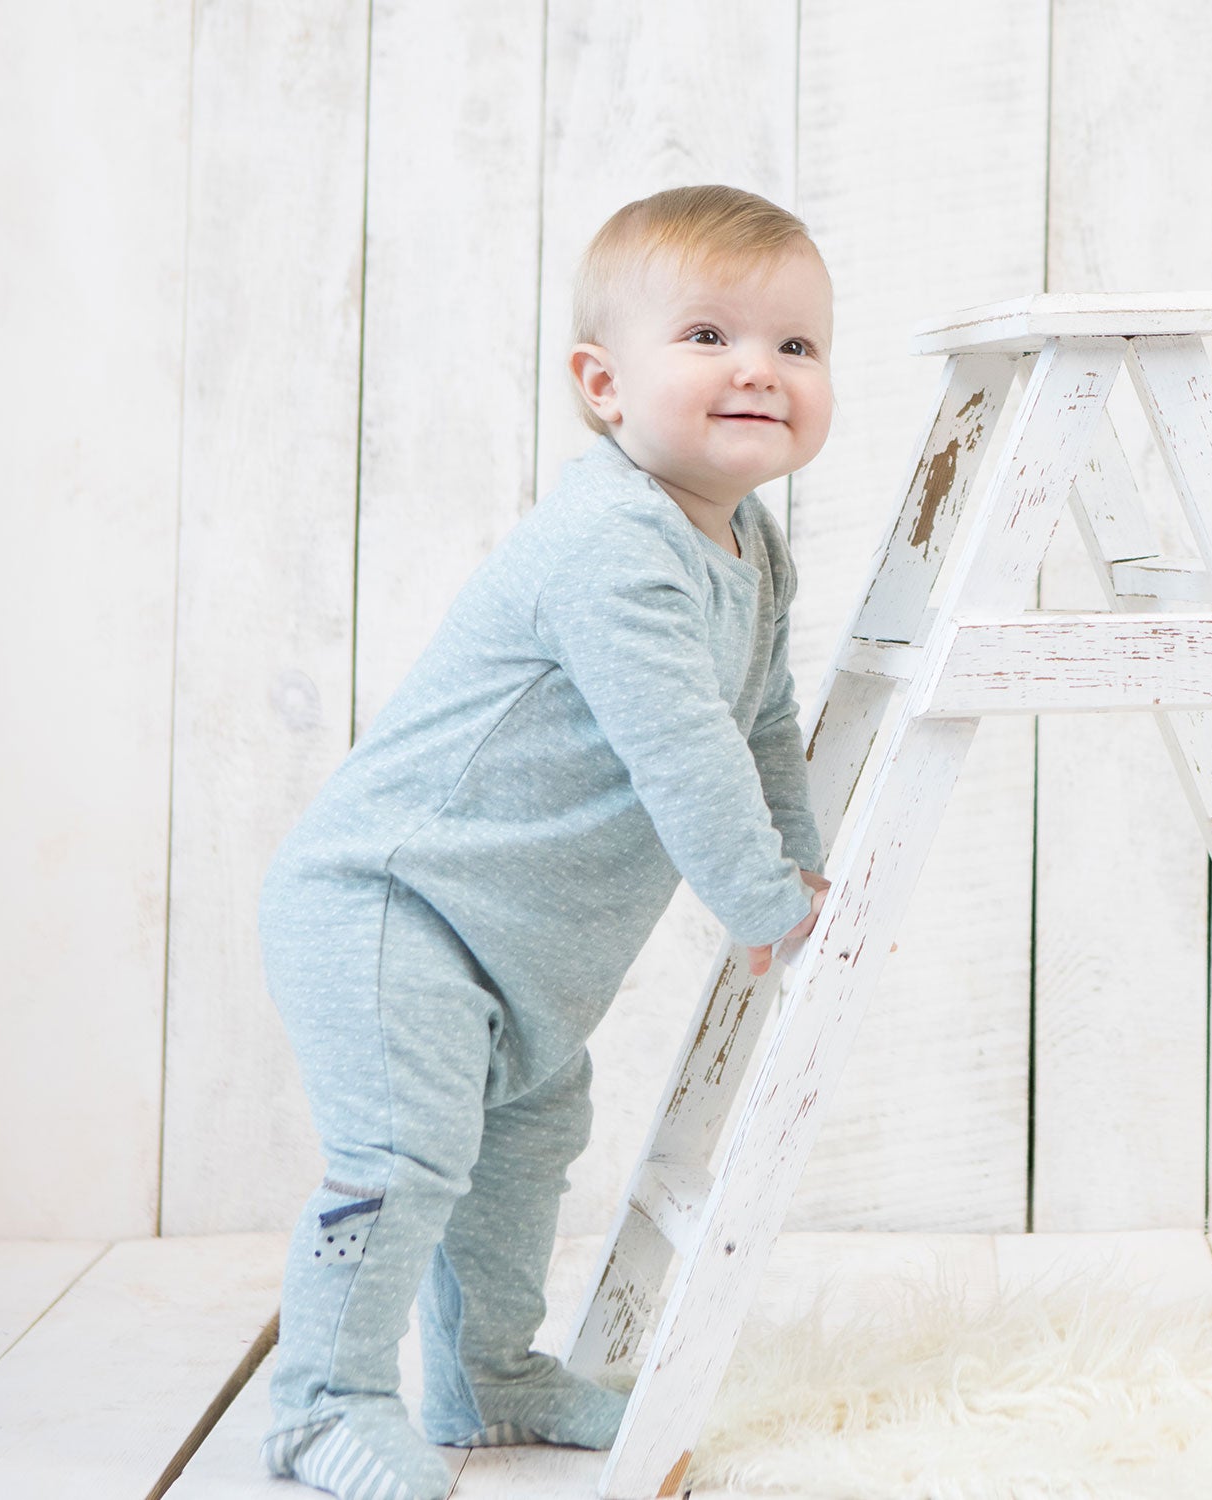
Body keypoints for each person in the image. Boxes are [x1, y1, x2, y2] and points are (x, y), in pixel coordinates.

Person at [258, 183, 834, 1500]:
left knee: (522, 1157)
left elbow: (759, 721)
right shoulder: (612, 547)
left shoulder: (753, 550)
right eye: (710, 335)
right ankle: (320, 1402)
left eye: (797, 344)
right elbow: (680, 750)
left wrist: (798, 866)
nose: (761, 367)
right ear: (603, 385)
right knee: (404, 1160)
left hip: (522, 957)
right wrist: (760, 896)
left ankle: (491, 1375)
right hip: (393, 906)